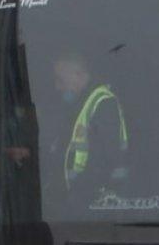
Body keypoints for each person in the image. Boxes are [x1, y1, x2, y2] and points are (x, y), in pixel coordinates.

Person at [54, 52, 128, 194]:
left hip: (98, 200)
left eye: (61, 80)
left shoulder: (104, 103)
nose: (57, 87)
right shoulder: (80, 104)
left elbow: (105, 159)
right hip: (84, 198)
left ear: (77, 75)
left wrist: (81, 193)